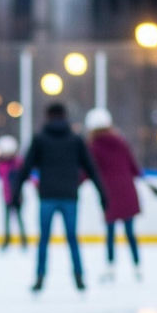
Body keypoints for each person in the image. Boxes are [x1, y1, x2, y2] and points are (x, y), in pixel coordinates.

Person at [13, 102, 107, 293]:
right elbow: (91, 168)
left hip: (47, 196)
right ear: (65, 116)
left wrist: (16, 193)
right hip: (69, 196)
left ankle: (39, 278)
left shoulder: (40, 139)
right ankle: (79, 277)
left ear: (47, 116)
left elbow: (26, 167)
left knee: (44, 239)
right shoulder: (75, 139)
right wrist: (102, 193)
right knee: (72, 238)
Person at [84, 108, 157, 282]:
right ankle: (137, 267)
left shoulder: (93, 146)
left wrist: (74, 183)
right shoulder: (120, 141)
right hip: (127, 191)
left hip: (109, 193)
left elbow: (88, 170)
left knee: (110, 232)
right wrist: (145, 180)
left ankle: (111, 268)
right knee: (130, 232)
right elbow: (133, 166)